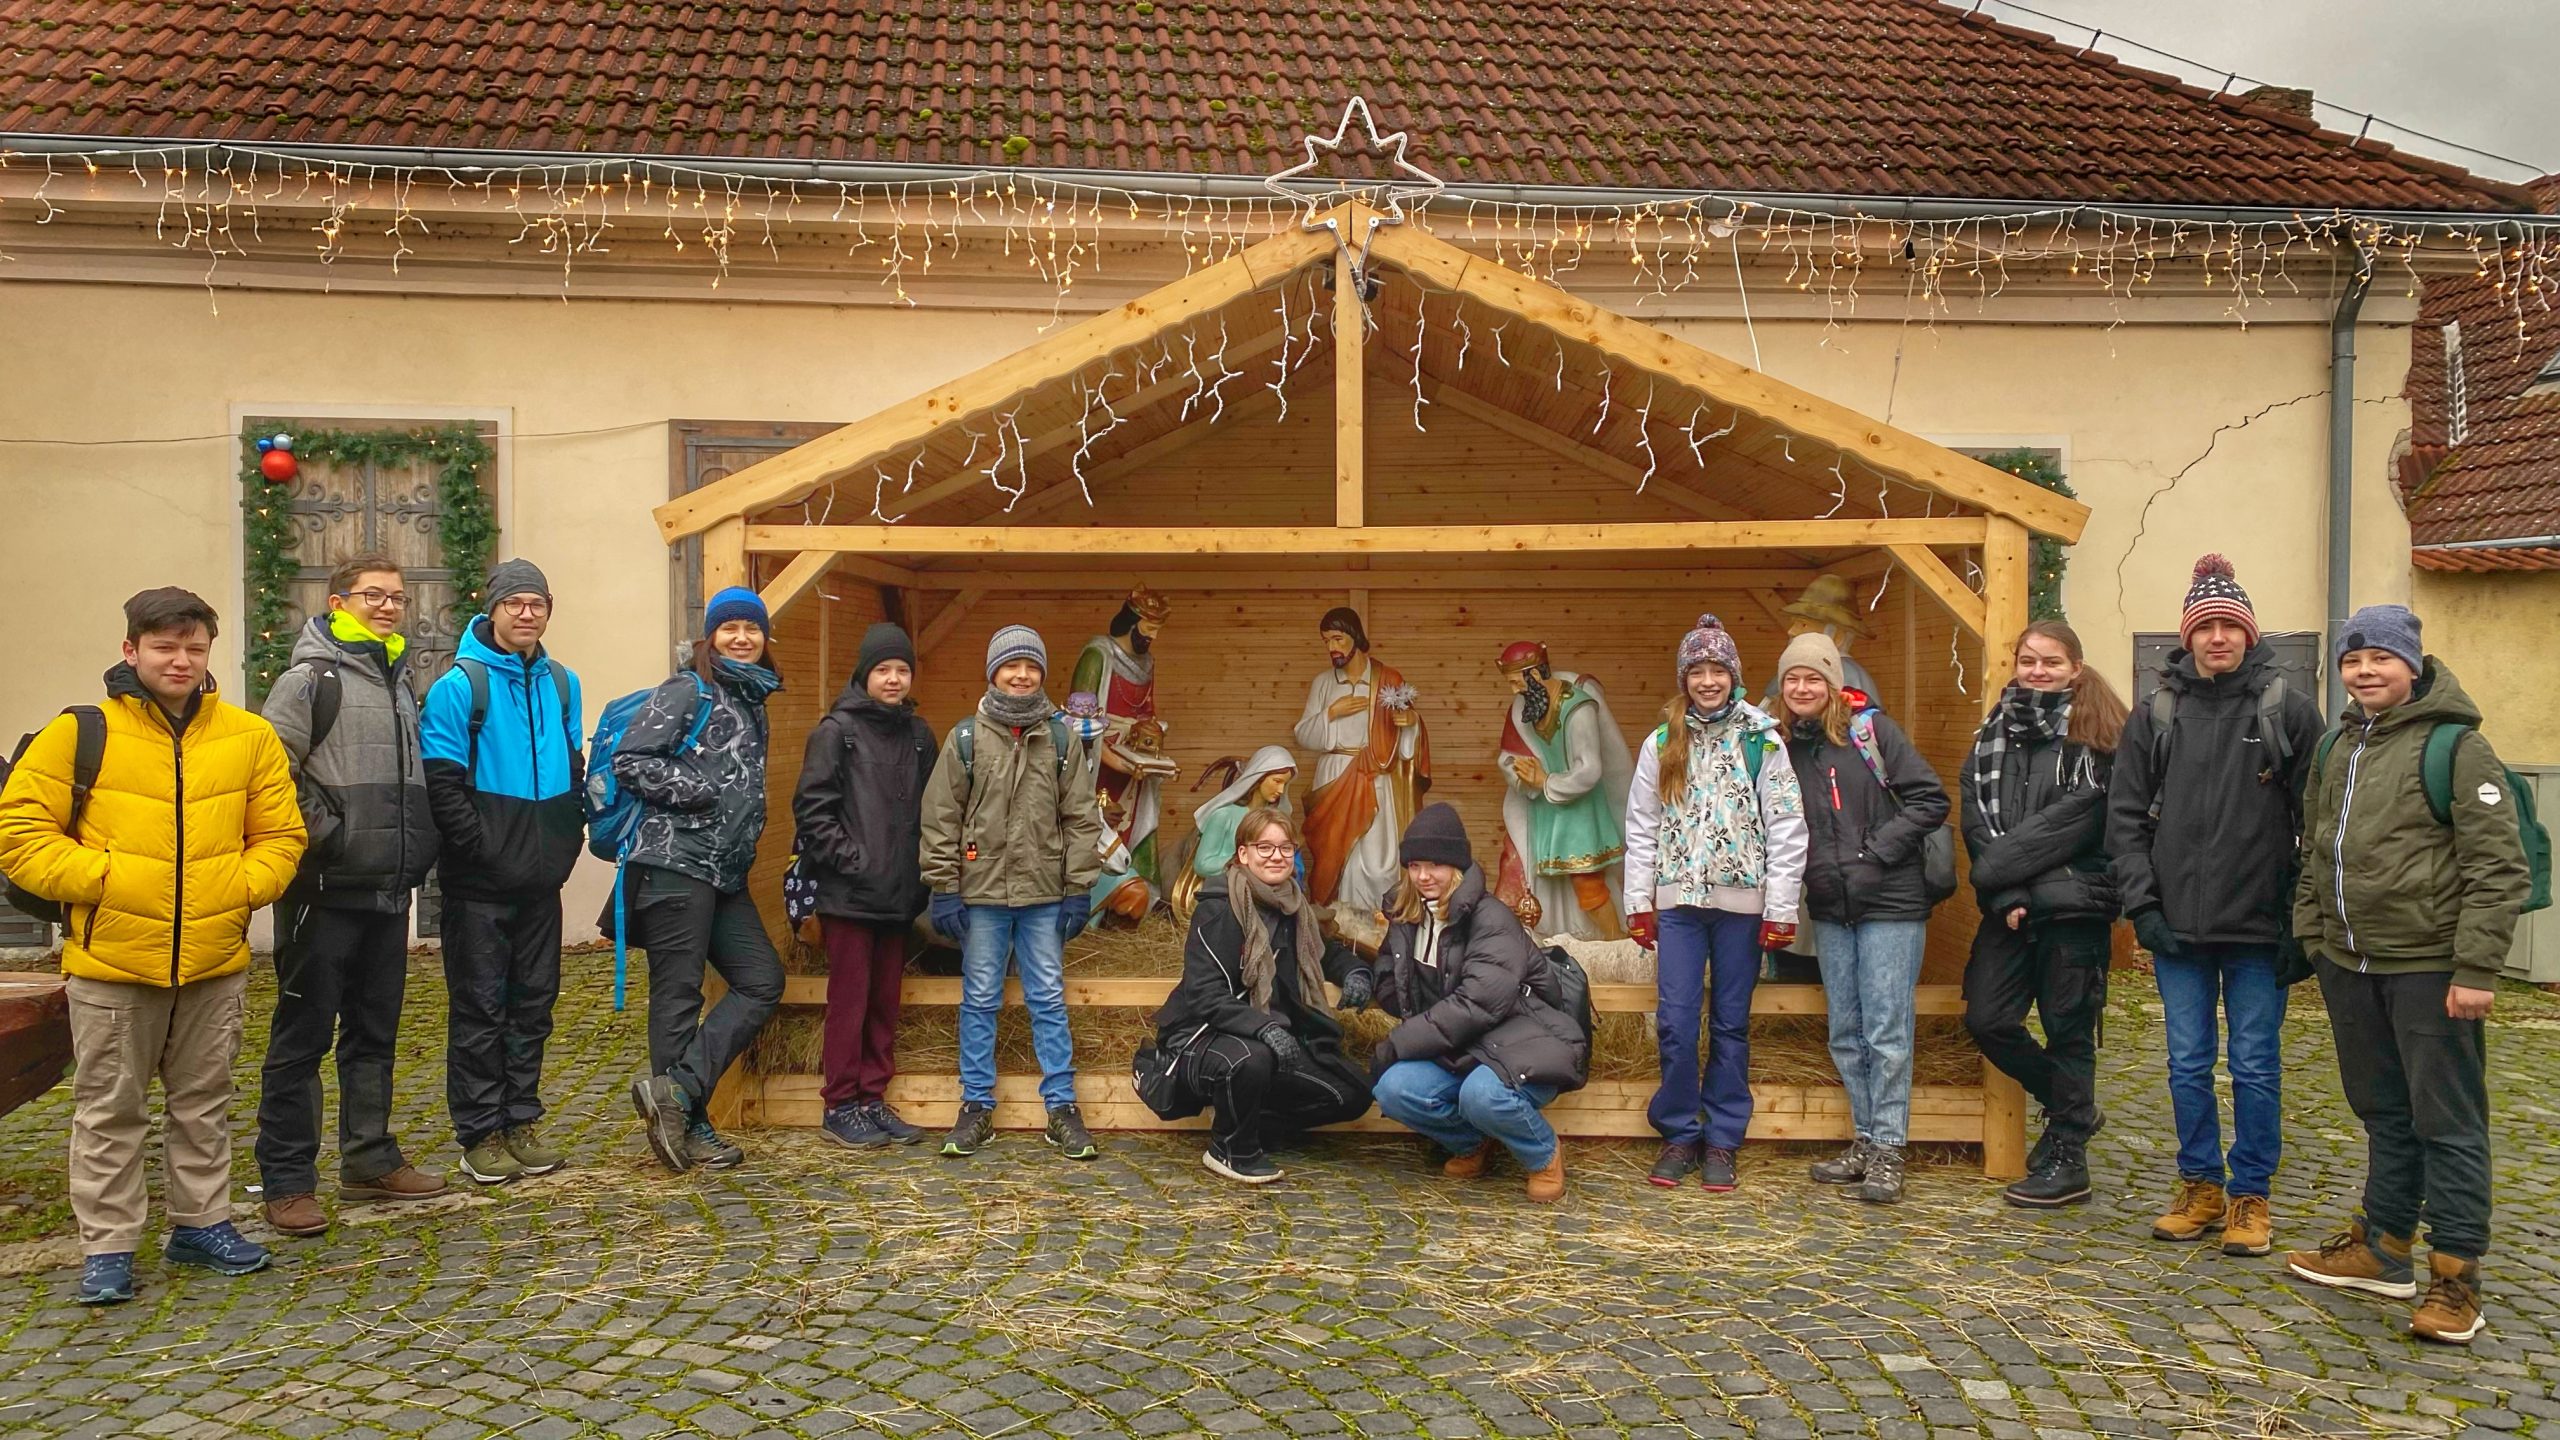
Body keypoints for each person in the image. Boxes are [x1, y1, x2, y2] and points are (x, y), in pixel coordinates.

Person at [0, 588, 304, 1306]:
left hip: (212, 960)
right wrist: (107, 881)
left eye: (194, 648)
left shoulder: (248, 737)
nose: (181, 661)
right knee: (111, 1109)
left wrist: (238, 886)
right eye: (165, 647)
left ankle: (202, 1224)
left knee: (203, 1102)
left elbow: (282, 836)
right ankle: (108, 1245)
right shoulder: (79, 734)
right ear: (131, 650)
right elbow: (21, 836)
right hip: (112, 964)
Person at [2285, 606, 2530, 1346]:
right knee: (2383, 1113)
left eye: (2381, 658)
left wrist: (2476, 967)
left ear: (2413, 664)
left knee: (2447, 1123)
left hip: (2430, 968)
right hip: (2349, 963)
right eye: (2352, 660)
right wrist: (2314, 936)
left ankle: (2456, 1278)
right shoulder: (2336, 745)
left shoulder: (2457, 747)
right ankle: (2385, 1248)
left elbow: (2498, 867)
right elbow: (2315, 848)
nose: (2365, 671)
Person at [2107, 555, 2323, 1259]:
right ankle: (2199, 1184)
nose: (2219, 637)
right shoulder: (2156, 713)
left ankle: (2250, 1193)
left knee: (2256, 1064)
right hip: (2177, 927)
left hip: (2259, 927)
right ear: (2188, 636)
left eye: (2230, 625)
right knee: (2186, 1063)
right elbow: (2125, 818)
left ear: (2249, 634)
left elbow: (2318, 822)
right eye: (2206, 627)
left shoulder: (2288, 710)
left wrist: (2300, 920)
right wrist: (2143, 907)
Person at [255, 553, 446, 1236]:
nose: (389, 606)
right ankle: (287, 1182)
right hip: (323, 890)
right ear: (338, 603)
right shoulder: (309, 680)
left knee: (373, 1034)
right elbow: (272, 771)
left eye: (397, 597)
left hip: (387, 889)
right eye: (374, 595)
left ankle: (369, 1159)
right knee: (301, 1039)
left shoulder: (401, 682)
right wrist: (328, 835)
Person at [1623, 615, 1806, 1193]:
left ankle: (1723, 1138)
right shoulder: (1661, 743)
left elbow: (1786, 825)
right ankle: (1680, 1133)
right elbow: (1642, 824)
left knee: (1730, 1023)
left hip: (1741, 908)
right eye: (1697, 671)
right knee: (1676, 1022)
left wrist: (1780, 908)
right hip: (1679, 905)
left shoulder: (1762, 740)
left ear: (1734, 676)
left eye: (1717, 670)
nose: (1708, 681)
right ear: (1684, 678)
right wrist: (1639, 901)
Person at [420, 559, 585, 1187]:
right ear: (491, 609)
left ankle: (520, 1121)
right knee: (481, 1010)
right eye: (514, 602)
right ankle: (480, 1134)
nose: (526, 613)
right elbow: (443, 787)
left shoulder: (562, 683)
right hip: (479, 887)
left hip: (542, 883)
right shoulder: (460, 686)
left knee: (534, 1007)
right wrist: (485, 851)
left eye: (537, 603)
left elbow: (573, 769)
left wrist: (565, 844)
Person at [1773, 631, 1949, 1204]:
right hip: (1830, 906)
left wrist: (1876, 853)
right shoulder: (1781, 748)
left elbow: (1930, 799)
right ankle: (1866, 1139)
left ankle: (1890, 1148)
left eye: (1813, 678)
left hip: (1891, 902)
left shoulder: (1871, 732)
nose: (1803, 688)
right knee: (1846, 1032)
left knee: (1886, 1031)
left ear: (1833, 683)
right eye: (1793, 678)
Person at [919, 624, 1107, 1161]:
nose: (1021, 675)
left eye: (1031, 667)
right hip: (981, 898)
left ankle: (1062, 1108)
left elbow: (1081, 817)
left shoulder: (1061, 740)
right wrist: (944, 886)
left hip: (1044, 896)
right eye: (1011, 666)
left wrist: (1078, 887)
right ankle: (976, 1105)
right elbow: (941, 816)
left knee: (1047, 997)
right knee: (980, 998)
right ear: (993, 673)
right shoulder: (966, 739)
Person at [618, 587, 787, 1173]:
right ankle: (688, 1128)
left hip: (725, 873)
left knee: (761, 981)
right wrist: (700, 792)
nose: (742, 637)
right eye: (729, 628)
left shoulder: (752, 696)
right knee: (678, 996)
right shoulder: (687, 688)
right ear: (710, 636)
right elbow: (631, 759)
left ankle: (678, 1091)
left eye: (751, 628)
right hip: (674, 863)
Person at [1962, 621, 2128, 1209]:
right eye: (2028, 660)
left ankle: (2068, 1162)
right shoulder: (1990, 735)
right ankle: (2073, 1108)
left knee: (2069, 1032)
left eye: (2051, 662)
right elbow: (1977, 823)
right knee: (1987, 1018)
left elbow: (2074, 826)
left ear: (2075, 668)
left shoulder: (2101, 739)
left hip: (2075, 910)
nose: (2038, 671)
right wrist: (2006, 892)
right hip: (2009, 910)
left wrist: (2001, 873)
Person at [1368, 804, 1588, 1203]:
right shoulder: (1408, 913)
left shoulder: (1491, 919)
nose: (1423, 876)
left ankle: (1543, 1155)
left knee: (1481, 1096)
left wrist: (1400, 1042)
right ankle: (1472, 1143)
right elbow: (1389, 967)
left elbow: (1477, 1005)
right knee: (1394, 1089)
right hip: (1460, 1046)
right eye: (1415, 865)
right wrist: (1377, 984)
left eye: (1435, 865)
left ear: (1457, 866)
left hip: (1521, 1040)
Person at [1151, 807, 1375, 1183]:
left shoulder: (1293, 907)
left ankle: (1250, 1122)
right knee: (1253, 1058)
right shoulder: (1218, 908)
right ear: (1243, 854)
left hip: (1271, 1035)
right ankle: (1229, 1149)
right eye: (1264, 847)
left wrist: (1354, 971)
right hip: (1203, 1035)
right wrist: (1263, 1027)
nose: (1276, 856)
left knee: (1353, 1094)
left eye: (1285, 848)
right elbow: (1204, 994)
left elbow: (1322, 952)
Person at [792, 621, 938, 1150]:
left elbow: (934, 809)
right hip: (850, 897)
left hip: (900, 895)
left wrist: (919, 870)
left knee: (883, 1003)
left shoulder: (920, 736)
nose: (894, 679)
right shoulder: (837, 732)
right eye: (883, 670)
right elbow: (812, 809)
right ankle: (840, 1104)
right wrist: (853, 861)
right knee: (849, 1002)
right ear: (864, 674)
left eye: (902, 670)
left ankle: (872, 1098)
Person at [1292, 607, 1431, 914]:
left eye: (1338, 639)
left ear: (1355, 636)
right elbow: (1302, 734)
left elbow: (1407, 738)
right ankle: (1339, 923)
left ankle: (1382, 920)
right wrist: (1331, 713)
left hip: (1376, 776)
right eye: (1326, 641)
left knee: (1378, 864)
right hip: (1334, 775)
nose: (1332, 647)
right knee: (1335, 858)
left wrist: (1410, 725)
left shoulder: (1389, 679)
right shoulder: (1323, 683)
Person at [1493, 641, 1634, 940]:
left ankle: (1614, 942)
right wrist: (1521, 772)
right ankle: (1562, 935)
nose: (1514, 690)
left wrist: (1545, 781)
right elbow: (1510, 753)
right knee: (1543, 878)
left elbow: (1589, 769)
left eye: (1516, 682)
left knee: (1588, 884)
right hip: (1547, 812)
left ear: (1534, 674)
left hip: (1580, 812)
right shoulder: (1529, 708)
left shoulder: (1578, 708)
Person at [1071, 585, 1179, 914]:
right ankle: (1094, 901)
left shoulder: (1147, 662)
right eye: (1149, 628)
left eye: (1158, 629)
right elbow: (1080, 721)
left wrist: (1150, 736)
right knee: (1100, 822)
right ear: (1131, 622)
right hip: (1099, 760)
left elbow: (1146, 711)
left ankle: (1136, 899)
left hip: (1133, 759)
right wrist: (1114, 758)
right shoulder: (1098, 654)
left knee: (1136, 823)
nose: (1153, 637)